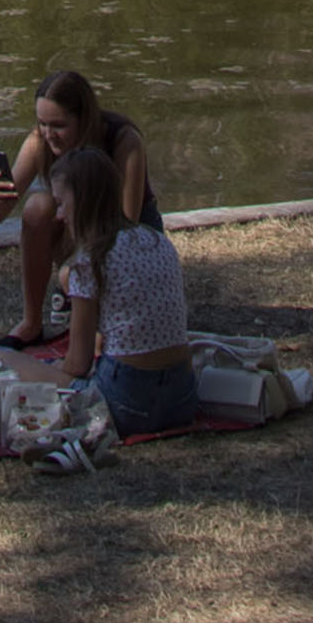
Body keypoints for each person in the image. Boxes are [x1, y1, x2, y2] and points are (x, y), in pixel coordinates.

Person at [0, 68, 166, 342]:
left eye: (58, 125)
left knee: (76, 278)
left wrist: (80, 268)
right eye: (42, 123)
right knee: (37, 207)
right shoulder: (39, 141)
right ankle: (31, 323)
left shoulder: (123, 140)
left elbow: (127, 226)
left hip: (130, 234)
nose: (48, 134)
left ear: (84, 119)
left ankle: (100, 324)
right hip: (83, 228)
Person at [49, 144, 199, 436]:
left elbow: (77, 364)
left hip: (125, 405)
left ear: (81, 201)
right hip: (182, 400)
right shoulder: (157, 241)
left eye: (60, 203)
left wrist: (55, 369)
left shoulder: (91, 260)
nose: (58, 215)